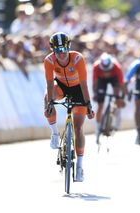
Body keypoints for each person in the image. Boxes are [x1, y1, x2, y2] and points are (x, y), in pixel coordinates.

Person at [43, 32, 95, 182]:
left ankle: (79, 166)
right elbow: (48, 83)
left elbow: (84, 84)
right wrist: (49, 103)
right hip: (61, 86)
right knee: (47, 96)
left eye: (64, 50)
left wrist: (88, 105)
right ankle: (54, 134)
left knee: (78, 128)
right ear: (53, 50)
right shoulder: (49, 60)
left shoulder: (78, 58)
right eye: (58, 51)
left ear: (68, 48)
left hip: (78, 88)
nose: (62, 54)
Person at [92, 52, 126, 144]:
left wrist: (121, 97)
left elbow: (121, 84)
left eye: (108, 70)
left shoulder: (116, 67)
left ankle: (113, 115)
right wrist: (95, 94)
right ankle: (98, 128)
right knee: (100, 105)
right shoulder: (96, 66)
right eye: (105, 71)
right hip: (101, 80)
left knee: (117, 97)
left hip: (114, 79)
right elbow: (94, 83)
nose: (106, 73)